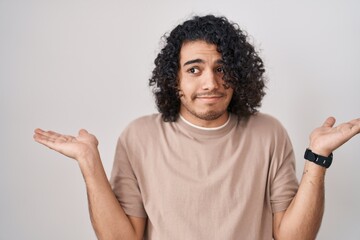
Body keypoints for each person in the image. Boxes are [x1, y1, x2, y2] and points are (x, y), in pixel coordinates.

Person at [33, 15, 360, 240]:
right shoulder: (138, 137)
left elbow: (292, 237)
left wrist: (317, 157)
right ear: (173, 79)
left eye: (222, 69)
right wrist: (90, 164)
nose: (211, 83)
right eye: (194, 69)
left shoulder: (268, 133)